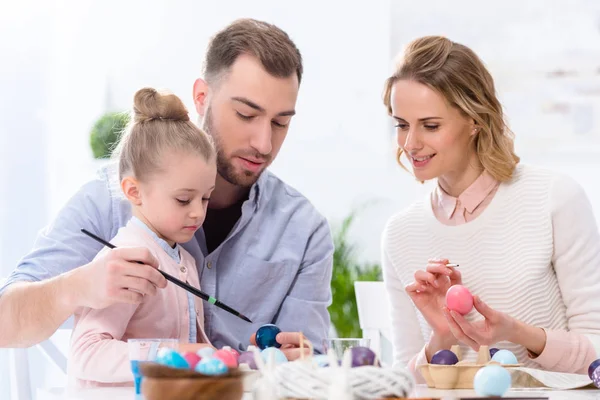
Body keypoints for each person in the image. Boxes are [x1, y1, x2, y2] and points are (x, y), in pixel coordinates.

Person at [0, 19, 333, 359]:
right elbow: (4, 323)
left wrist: (290, 360)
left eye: (281, 123)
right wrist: (77, 286)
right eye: (246, 114)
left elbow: (312, 364)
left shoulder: (304, 231)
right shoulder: (112, 198)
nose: (264, 144)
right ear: (202, 97)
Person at [380, 35, 600, 379]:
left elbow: (597, 351)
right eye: (401, 125)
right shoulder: (401, 233)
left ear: (474, 120)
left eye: (430, 125)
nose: (410, 144)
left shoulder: (554, 198)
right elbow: (406, 383)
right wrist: (443, 337)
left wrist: (517, 333)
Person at [68, 87, 215, 387]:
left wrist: (232, 359)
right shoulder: (125, 260)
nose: (198, 213)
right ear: (134, 191)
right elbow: (86, 353)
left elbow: (192, 348)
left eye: (205, 199)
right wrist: (170, 355)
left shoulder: (183, 259)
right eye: (184, 200)